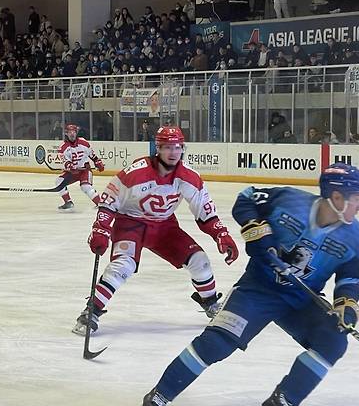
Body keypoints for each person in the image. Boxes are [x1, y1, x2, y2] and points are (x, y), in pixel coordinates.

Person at [134, 163, 359, 406]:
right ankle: (162, 392)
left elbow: (350, 278)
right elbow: (246, 198)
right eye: (356, 199)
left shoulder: (358, 238)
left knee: (333, 340)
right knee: (217, 342)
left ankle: (282, 402)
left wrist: (346, 305)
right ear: (337, 197)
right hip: (259, 289)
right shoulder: (289, 200)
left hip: (301, 299)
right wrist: (259, 233)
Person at [72, 126, 239, 336]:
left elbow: (205, 210)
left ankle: (211, 303)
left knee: (200, 260)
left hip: (164, 227)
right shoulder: (135, 173)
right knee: (122, 266)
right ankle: (91, 311)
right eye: (168, 147)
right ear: (158, 148)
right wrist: (101, 229)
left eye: (177, 147)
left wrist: (221, 234)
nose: (173, 152)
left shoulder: (189, 177)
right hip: (131, 224)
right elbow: (108, 202)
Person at [55, 124, 104, 211]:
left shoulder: (83, 142)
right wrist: (70, 166)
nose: (72, 134)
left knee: (85, 186)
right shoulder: (63, 147)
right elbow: (65, 161)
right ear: (66, 133)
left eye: (73, 132)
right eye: (69, 132)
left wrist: (97, 162)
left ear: (76, 132)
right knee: (59, 181)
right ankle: (68, 202)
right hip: (72, 173)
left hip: (84, 170)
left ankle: (100, 203)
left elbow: (92, 155)